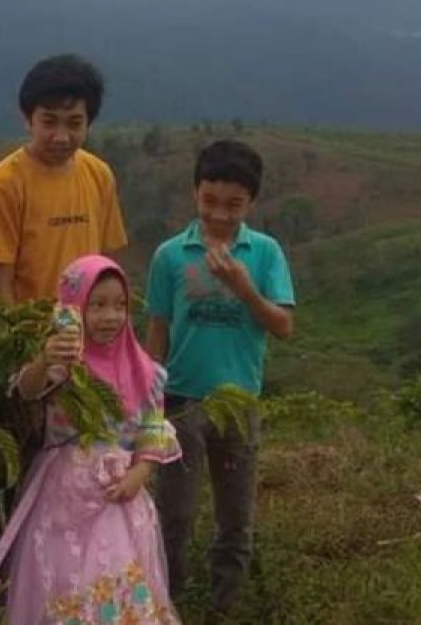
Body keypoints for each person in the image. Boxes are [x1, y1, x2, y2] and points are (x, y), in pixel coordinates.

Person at [0, 255, 182, 625]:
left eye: (119, 306)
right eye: (97, 306)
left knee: (117, 582)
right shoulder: (65, 363)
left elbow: (153, 431)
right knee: (65, 582)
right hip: (64, 497)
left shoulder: (148, 371)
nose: (110, 316)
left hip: (118, 501)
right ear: (74, 308)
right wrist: (45, 360)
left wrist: (139, 474)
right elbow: (27, 391)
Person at [145, 139, 295, 623]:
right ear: (195, 194)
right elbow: (158, 329)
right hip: (181, 400)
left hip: (238, 400)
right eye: (210, 202)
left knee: (236, 517)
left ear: (251, 203)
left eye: (233, 205)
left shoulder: (265, 252)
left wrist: (243, 288)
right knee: (175, 515)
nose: (220, 214)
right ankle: (167, 599)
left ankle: (224, 605)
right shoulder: (170, 256)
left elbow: (283, 325)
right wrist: (149, 397)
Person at [0, 54, 128, 304]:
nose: (61, 136)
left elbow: (109, 257)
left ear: (88, 123)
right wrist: (17, 337)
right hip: (34, 331)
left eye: (74, 124)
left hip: (89, 329)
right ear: (28, 119)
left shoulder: (98, 174)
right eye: (49, 122)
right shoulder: (4, 184)